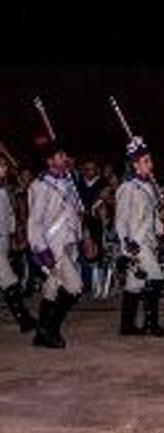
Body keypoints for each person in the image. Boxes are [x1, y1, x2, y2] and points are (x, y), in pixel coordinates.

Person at [29, 138, 84, 349]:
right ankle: (50, 330)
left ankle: (41, 334)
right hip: (53, 246)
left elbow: (73, 213)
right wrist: (41, 250)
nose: (65, 158)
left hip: (68, 242)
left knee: (52, 289)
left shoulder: (67, 181)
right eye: (60, 155)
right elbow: (35, 221)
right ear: (50, 160)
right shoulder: (40, 186)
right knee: (75, 287)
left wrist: (80, 236)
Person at [115, 136, 164, 337]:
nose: (151, 164)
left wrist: (161, 230)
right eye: (146, 161)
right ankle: (151, 324)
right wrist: (127, 242)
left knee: (134, 284)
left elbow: (151, 215)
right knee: (156, 278)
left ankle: (126, 325)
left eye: (150, 160)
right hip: (136, 243)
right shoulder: (127, 188)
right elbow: (120, 219)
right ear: (135, 165)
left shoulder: (149, 186)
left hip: (149, 240)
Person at [0, 155, 36, 333]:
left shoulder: (4, 190)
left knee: (8, 281)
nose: (4, 169)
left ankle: (24, 319)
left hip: (3, 241)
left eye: (5, 165)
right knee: (10, 281)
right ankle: (24, 320)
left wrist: (14, 236)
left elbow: (9, 217)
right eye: (1, 166)